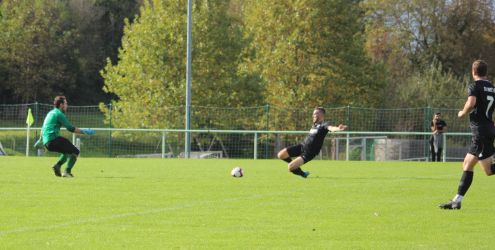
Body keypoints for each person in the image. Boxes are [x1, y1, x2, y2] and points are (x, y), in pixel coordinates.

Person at [439, 60, 495, 209]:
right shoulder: (492, 88)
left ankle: (456, 202)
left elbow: (471, 103)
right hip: (487, 128)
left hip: (481, 132)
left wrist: (462, 112)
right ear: (485, 72)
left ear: (473, 71)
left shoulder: (475, 86)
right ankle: (456, 202)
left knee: (488, 171)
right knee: (467, 164)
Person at [34, 96, 95, 177]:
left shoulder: (50, 113)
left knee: (67, 151)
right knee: (75, 152)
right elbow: (70, 128)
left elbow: (43, 127)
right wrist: (85, 131)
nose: (67, 106)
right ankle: (67, 172)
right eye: (66, 103)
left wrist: (40, 139)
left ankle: (57, 166)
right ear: (61, 105)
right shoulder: (59, 114)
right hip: (53, 140)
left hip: (47, 143)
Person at [277, 107, 347, 178]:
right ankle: (295, 166)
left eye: (316, 113)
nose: (314, 115)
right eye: (313, 114)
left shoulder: (324, 125)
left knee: (290, 167)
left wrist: (338, 128)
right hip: (302, 146)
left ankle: (303, 174)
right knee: (281, 155)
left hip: (309, 153)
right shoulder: (314, 125)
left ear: (322, 115)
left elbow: (331, 128)